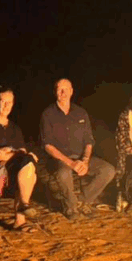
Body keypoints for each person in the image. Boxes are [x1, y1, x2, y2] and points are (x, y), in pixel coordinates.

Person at [39, 78, 116, 219]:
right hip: (59, 159)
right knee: (63, 173)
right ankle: (71, 208)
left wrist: (85, 161)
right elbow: (48, 146)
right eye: (59, 89)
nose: (63, 92)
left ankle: (83, 200)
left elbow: (89, 141)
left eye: (66, 89)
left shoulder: (81, 113)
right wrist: (71, 163)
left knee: (108, 170)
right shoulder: (48, 114)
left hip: (80, 158)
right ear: (55, 92)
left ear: (72, 91)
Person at [0, 86, 38, 230]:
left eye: (10, 102)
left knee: (28, 164)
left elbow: (21, 151)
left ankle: (22, 211)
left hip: (16, 168)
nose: (6, 106)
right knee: (28, 161)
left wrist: (8, 151)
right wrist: (17, 152)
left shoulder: (15, 128)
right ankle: (22, 212)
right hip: (1, 172)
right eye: (3, 102)